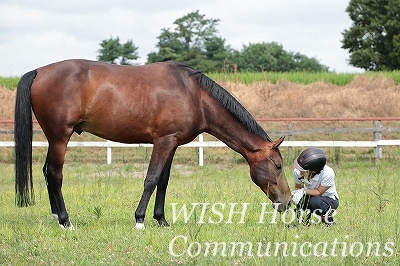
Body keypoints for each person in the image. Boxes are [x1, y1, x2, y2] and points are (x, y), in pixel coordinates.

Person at [291, 147, 339, 226]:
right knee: (301, 200)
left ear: (313, 171)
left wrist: (303, 191)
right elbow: (298, 187)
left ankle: (329, 221)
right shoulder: (298, 172)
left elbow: (319, 192)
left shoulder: (328, 173)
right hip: (311, 196)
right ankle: (303, 223)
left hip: (329, 200)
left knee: (314, 202)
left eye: (302, 169)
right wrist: (294, 195)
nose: (299, 171)